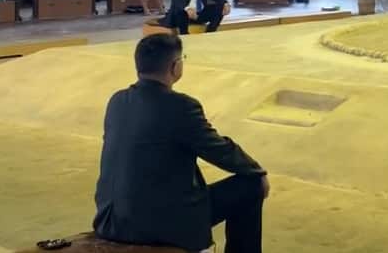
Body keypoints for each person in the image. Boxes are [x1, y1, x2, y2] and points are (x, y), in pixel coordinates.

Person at [93, 34, 268, 253]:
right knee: (251, 186)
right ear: (175, 67)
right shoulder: (182, 106)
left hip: (110, 220)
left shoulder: (117, 101)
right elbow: (219, 150)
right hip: (156, 225)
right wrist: (257, 170)